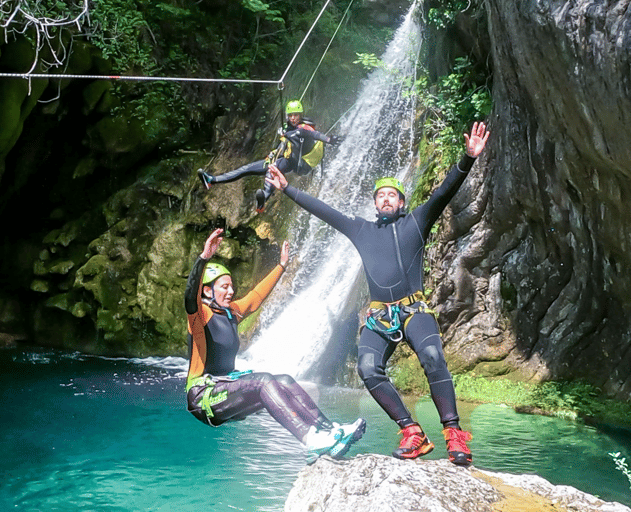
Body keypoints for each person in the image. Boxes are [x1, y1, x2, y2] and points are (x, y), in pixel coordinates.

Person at [265, 122, 491, 466]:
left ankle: (454, 435)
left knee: (432, 354)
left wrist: (468, 158)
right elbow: (326, 213)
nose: (386, 199)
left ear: (401, 202)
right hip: (378, 315)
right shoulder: (361, 230)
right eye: (380, 195)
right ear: (376, 204)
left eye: (392, 195)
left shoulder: (416, 221)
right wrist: (288, 189)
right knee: (368, 367)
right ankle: (412, 432)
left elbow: (444, 192)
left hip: (414, 309)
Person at [184, 228, 366, 463]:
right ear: (207, 290)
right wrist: (204, 258)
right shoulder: (199, 316)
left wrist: (281, 266)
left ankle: (329, 431)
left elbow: (256, 297)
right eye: (224, 287)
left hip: (225, 387)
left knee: (283, 380)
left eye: (231, 286)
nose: (231, 291)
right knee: (263, 381)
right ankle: (310, 440)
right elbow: (190, 295)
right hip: (203, 396)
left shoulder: (231, 313)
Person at [197, 100, 343, 212]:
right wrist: (276, 148)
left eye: (296, 115)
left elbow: (314, 134)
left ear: (301, 115)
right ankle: (212, 180)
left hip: (296, 163)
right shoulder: (288, 128)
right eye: (291, 115)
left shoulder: (302, 129)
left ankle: (263, 199)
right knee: (246, 169)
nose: (293, 118)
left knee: (272, 168)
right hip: (283, 159)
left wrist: (329, 140)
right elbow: (283, 145)